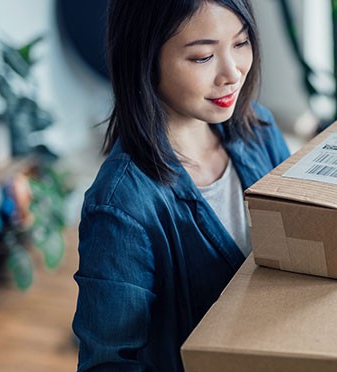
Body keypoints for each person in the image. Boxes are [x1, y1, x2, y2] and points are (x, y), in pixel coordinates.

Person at [71, 0, 290, 370]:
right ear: (145, 57)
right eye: (203, 57)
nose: (232, 73)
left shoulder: (259, 130)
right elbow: (109, 365)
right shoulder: (121, 207)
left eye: (240, 43)